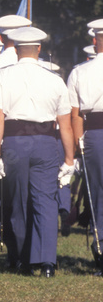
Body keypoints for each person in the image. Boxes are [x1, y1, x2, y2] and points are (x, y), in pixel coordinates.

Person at [0, 26, 75, 278]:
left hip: (15, 141)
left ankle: (22, 259)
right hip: (46, 141)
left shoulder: (2, 76)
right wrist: (69, 159)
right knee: (45, 201)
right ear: (39, 49)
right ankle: (47, 261)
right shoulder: (55, 79)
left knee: (17, 201)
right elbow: (66, 125)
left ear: (15, 49)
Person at [69, 18, 103, 272]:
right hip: (94, 132)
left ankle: (101, 244)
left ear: (95, 41)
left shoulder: (80, 71)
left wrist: (79, 148)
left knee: (98, 193)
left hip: (94, 135)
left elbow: (76, 115)